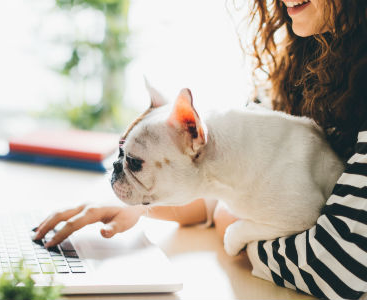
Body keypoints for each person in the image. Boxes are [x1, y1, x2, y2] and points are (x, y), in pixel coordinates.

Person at [33, 0, 367, 298]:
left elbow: (334, 267)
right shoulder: (297, 63)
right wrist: (141, 203)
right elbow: (218, 179)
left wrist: (231, 226)